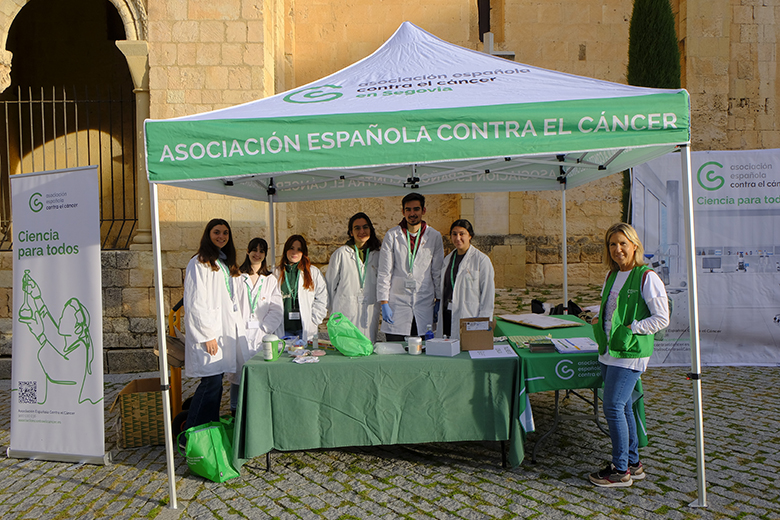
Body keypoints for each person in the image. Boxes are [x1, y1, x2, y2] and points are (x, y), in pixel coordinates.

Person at [589, 222, 669, 487]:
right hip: (609, 350)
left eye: (623, 243)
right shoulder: (612, 275)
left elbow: (662, 318)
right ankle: (633, 464)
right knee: (622, 406)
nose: (617, 249)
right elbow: (610, 307)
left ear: (634, 245)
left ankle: (620, 470)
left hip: (630, 352)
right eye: (612, 244)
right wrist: (597, 317)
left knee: (612, 406)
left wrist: (633, 328)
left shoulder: (646, 277)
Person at [183, 218, 245, 431]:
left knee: (216, 383)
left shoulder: (223, 263)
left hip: (222, 333)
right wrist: (206, 335)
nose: (221, 236)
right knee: (210, 384)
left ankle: (209, 428)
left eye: (225, 233)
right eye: (217, 232)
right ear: (208, 234)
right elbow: (195, 302)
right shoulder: (199, 263)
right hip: (209, 334)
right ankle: (191, 433)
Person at [377, 193, 444, 341]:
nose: (412, 213)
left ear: (423, 211)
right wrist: (384, 302)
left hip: (424, 303)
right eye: (408, 210)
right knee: (397, 350)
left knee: (424, 351)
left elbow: (437, 271)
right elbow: (384, 272)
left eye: (416, 209)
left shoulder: (434, 236)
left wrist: (439, 299)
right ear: (403, 212)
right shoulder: (392, 235)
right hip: (397, 305)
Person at [228, 238, 283, 415]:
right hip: (239, 333)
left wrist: (265, 328)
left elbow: (276, 307)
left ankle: (259, 411)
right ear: (247, 250)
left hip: (261, 333)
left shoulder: (270, 280)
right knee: (238, 375)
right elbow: (230, 304)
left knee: (260, 373)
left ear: (265, 254)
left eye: (261, 251)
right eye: (254, 250)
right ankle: (235, 411)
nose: (257, 254)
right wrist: (236, 326)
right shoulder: (236, 277)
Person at [325, 212, 382, 342]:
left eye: (365, 227)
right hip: (345, 310)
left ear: (370, 230)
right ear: (351, 232)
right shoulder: (341, 254)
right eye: (357, 228)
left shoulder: (378, 255)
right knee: (347, 348)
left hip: (369, 310)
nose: (361, 231)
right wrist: (332, 313)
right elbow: (330, 285)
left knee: (367, 347)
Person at [438, 219, 495, 339]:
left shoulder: (481, 261)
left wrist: (483, 323)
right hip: (447, 314)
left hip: (469, 315)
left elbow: (488, 295)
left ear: (470, 236)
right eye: (454, 234)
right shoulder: (447, 260)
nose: (457, 238)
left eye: (461, 234)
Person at [275, 235, 328, 343]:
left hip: (305, 328)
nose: (295, 252)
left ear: (304, 252)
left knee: (305, 357)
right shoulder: (276, 273)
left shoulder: (313, 272)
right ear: (286, 250)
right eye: (292, 248)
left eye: (299, 249)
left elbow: (322, 298)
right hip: (283, 329)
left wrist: (314, 319)